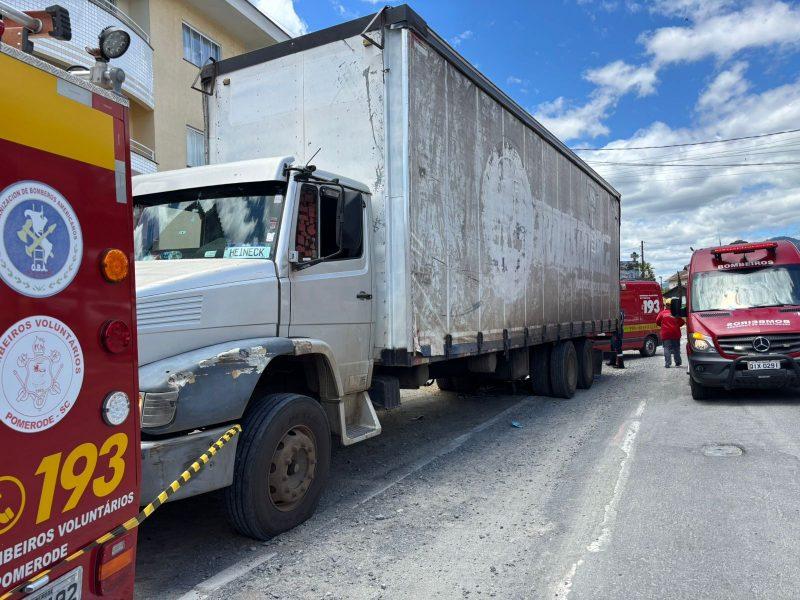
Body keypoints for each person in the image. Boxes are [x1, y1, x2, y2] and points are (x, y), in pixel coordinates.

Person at [656, 298, 685, 368]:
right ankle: (678, 362)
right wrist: (676, 325)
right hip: (675, 333)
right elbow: (682, 322)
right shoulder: (676, 313)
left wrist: (663, 325)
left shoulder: (662, 313)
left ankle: (667, 363)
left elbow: (657, 322)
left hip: (665, 334)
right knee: (676, 348)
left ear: (666, 305)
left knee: (666, 348)